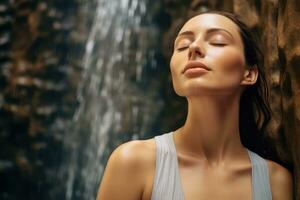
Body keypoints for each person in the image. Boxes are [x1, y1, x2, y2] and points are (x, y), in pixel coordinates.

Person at [96, 11, 293, 200]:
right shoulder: (133, 162)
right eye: (182, 46)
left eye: (218, 41)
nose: (193, 48)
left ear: (249, 74)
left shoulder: (275, 182)